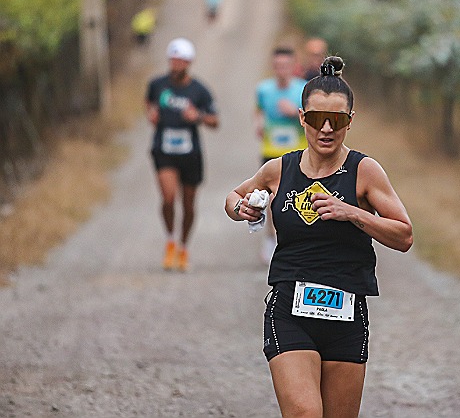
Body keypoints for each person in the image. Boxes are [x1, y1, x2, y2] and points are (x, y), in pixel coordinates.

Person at [225, 56, 413, 418]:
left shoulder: (364, 171)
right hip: (289, 311)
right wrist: (243, 209)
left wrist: (352, 213)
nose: (326, 129)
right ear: (301, 118)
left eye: (337, 120)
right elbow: (233, 197)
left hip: (346, 313)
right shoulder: (280, 169)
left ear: (350, 121)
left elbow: (404, 235)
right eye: (315, 119)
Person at [146, 38, 219, 271]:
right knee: (168, 198)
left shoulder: (199, 90)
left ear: (188, 63)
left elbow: (215, 120)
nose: (175, 65)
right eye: (172, 60)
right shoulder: (157, 84)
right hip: (164, 149)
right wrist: (151, 114)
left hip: (190, 153)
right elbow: (148, 103)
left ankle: (184, 246)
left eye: (180, 61)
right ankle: (170, 240)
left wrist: (197, 116)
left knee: (188, 205)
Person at [254, 47, 308, 264]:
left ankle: (300, 242)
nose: (281, 70)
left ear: (293, 66)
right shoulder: (264, 89)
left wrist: (294, 113)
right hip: (272, 151)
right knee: (273, 198)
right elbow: (258, 109)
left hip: (299, 152)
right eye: (277, 66)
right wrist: (257, 123)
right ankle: (272, 239)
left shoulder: (304, 89)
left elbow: (312, 120)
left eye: (285, 66)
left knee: (301, 198)